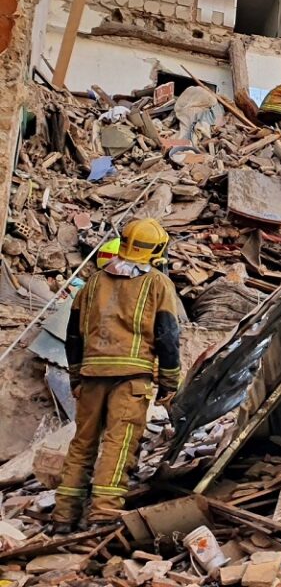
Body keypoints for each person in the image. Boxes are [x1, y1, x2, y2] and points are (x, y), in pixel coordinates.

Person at [51, 219, 180, 531]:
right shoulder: (158, 284)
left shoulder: (93, 283)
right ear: (155, 251)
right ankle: (103, 513)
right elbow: (167, 335)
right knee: (118, 444)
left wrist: (75, 377)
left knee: (82, 444)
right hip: (131, 377)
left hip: (92, 373)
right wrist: (170, 380)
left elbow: (73, 336)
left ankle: (63, 516)